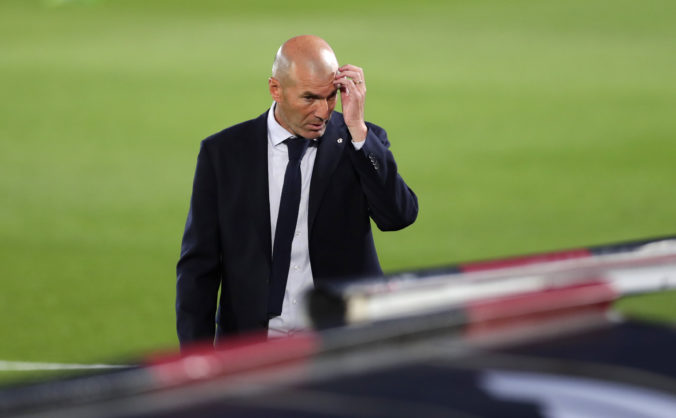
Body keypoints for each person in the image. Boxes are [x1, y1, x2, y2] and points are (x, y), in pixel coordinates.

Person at [176, 35, 418, 347]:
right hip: (252, 345)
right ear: (275, 89)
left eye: (330, 97)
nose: (322, 112)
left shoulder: (358, 143)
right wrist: (195, 357)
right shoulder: (223, 153)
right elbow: (199, 267)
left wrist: (358, 131)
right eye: (309, 98)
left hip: (340, 342)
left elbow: (398, 216)